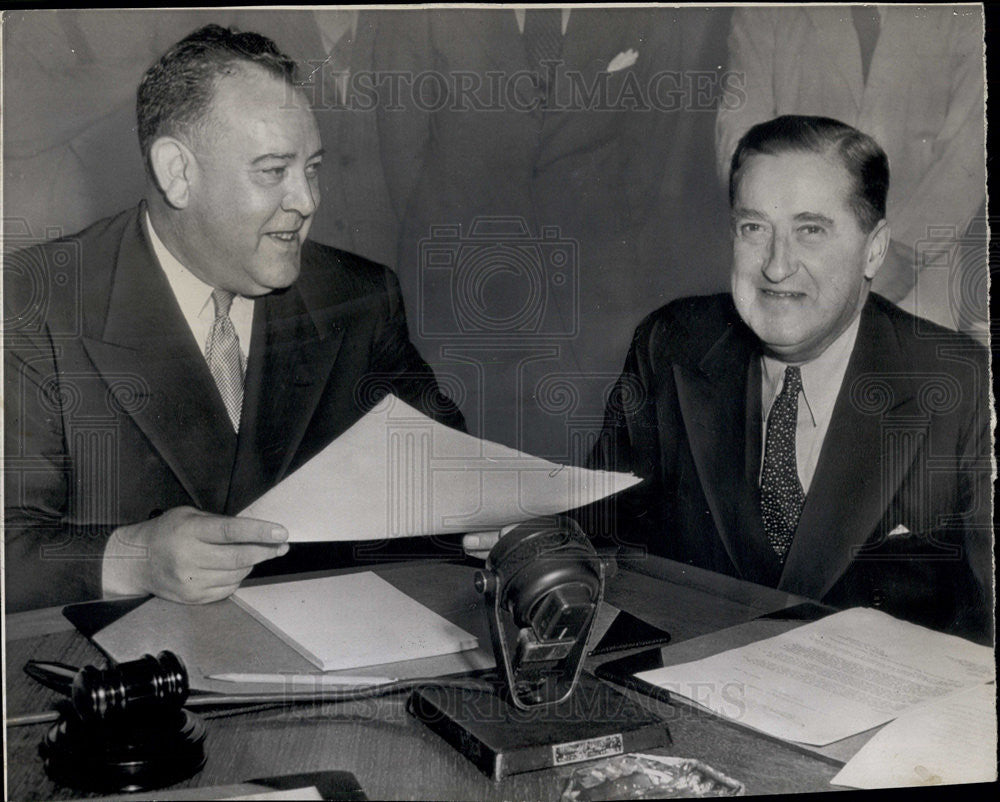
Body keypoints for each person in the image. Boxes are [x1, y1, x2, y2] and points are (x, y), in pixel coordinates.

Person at [4, 25, 464, 613]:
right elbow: (8, 544)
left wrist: (496, 522)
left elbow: (454, 477)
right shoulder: (32, 304)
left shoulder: (360, 296)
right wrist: (134, 557)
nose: (307, 200)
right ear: (178, 173)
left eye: (313, 168)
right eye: (273, 171)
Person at [587, 116, 992, 643]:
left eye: (811, 231)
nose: (777, 267)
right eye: (754, 228)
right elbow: (595, 544)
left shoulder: (959, 384)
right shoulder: (670, 345)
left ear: (874, 249)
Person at [715, 5, 987, 340]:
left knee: (911, 372)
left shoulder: (965, 12)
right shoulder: (763, 11)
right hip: (791, 251)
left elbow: (970, 152)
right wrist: (791, 237)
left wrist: (897, 249)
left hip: (922, 258)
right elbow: (739, 138)